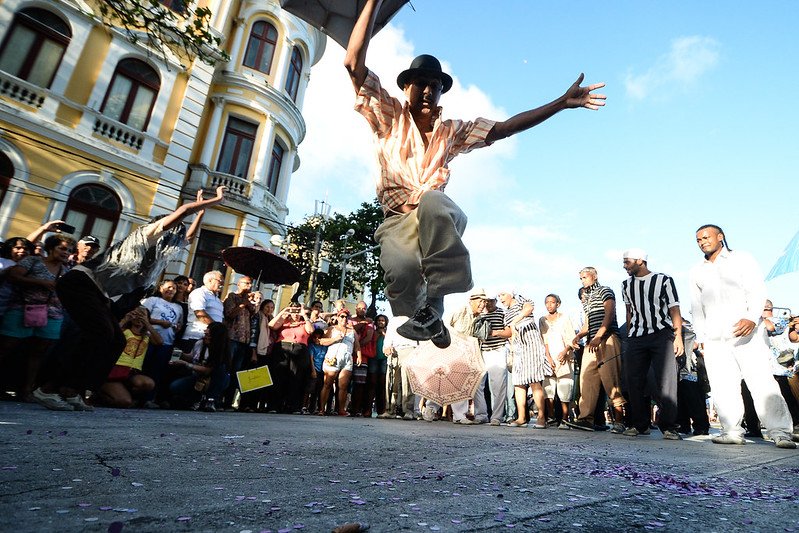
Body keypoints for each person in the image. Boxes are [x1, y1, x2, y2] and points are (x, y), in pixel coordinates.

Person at [344, 0, 606, 349]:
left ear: (440, 93)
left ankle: (435, 304)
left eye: (434, 86)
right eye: (420, 83)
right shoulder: (390, 115)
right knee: (401, 275)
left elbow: (504, 128)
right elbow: (352, 62)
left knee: (434, 201)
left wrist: (560, 103)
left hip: (434, 218)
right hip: (396, 221)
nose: (426, 91)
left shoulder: (451, 130)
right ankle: (428, 320)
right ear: (406, 88)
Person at [31, 187, 225, 411]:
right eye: (174, 232)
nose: (176, 239)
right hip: (80, 282)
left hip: (100, 293)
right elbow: (181, 212)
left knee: (116, 341)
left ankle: (73, 389)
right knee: (99, 333)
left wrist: (201, 215)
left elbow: (189, 237)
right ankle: (47, 388)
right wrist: (211, 202)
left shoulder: (162, 252)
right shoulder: (148, 235)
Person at [689, 224, 795, 448]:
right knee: (722, 385)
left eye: (706, 237)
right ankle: (732, 431)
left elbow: (756, 289)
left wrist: (751, 316)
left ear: (720, 237)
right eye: (698, 239)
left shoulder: (741, 259)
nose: (702, 242)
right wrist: (701, 337)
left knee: (761, 382)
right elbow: (697, 307)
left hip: (746, 331)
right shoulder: (697, 270)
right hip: (715, 336)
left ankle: (780, 432)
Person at [0, 234, 75, 402]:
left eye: (69, 250)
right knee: (6, 348)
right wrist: (40, 283)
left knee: (39, 353)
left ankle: (26, 390)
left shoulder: (66, 271)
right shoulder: (33, 261)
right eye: (62, 248)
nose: (66, 253)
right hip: (22, 309)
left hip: (52, 314)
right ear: (50, 248)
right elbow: (13, 277)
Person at [620, 249, 684, 440]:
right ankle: (640, 425)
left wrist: (678, 336)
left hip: (661, 334)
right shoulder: (625, 285)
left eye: (627, 262)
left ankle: (669, 427)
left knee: (667, 380)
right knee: (634, 380)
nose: (624, 266)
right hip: (637, 336)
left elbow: (674, 308)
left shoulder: (663, 280)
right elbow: (629, 311)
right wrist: (630, 335)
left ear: (640, 261)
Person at [567, 267, 627, 431]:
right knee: (587, 381)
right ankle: (586, 419)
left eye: (585, 277)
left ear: (594, 276)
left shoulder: (605, 290)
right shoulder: (586, 297)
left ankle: (620, 422)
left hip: (607, 339)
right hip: (591, 342)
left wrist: (600, 335)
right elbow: (587, 324)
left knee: (611, 380)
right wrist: (579, 336)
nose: (582, 280)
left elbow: (609, 314)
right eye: (580, 278)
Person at [497, 290, 548, 428]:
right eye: (499, 295)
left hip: (531, 343)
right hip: (517, 347)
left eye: (502, 294)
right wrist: (494, 333)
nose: (500, 298)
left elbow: (529, 308)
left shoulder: (521, 300)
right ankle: (521, 417)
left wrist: (515, 321)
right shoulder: (506, 312)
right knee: (518, 383)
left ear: (511, 294)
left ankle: (542, 418)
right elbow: (508, 332)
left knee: (534, 381)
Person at [94, 307, 163, 408]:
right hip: (115, 371)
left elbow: (160, 341)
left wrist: (147, 323)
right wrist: (125, 320)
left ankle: (125, 393)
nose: (138, 318)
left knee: (148, 383)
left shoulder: (147, 336)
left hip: (132, 372)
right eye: (136, 315)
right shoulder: (124, 331)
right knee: (124, 402)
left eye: (142, 315)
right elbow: (110, 335)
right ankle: (98, 395)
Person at [447, 288, 490, 425]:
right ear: (471, 301)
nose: (482, 304)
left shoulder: (480, 317)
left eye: (484, 301)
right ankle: (459, 415)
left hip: (472, 353)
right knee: (459, 383)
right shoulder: (460, 310)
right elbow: (445, 325)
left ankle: (481, 414)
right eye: (479, 301)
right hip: (456, 350)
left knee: (476, 383)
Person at [169, 321, 231, 412]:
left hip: (212, 379)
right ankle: (196, 399)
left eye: (208, 335)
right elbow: (192, 357)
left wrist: (186, 364)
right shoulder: (200, 343)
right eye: (205, 334)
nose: (205, 336)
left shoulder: (220, 350)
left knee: (221, 370)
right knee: (175, 386)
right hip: (198, 378)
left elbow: (207, 371)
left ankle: (211, 399)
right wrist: (181, 354)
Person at [140, 279, 184, 408]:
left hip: (167, 343)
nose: (171, 290)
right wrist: (160, 322)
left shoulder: (178, 307)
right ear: (160, 288)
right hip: (148, 339)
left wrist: (177, 327)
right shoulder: (153, 300)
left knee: (156, 371)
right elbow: (143, 317)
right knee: (142, 367)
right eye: (169, 287)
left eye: (174, 288)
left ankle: (148, 399)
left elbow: (179, 323)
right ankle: (136, 396)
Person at [267, 301, 314, 413]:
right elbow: (271, 325)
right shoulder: (285, 322)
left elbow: (311, 331)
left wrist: (304, 315)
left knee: (296, 378)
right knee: (279, 377)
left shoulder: (304, 324)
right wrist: (283, 312)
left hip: (299, 350)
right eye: (293, 311)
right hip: (283, 348)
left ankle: (292, 406)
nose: (295, 314)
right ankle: (274, 406)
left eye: (297, 311)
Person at [538, 294, 577, 429]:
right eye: (547, 302)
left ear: (558, 304)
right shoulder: (542, 320)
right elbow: (544, 340)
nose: (549, 305)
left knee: (564, 388)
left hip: (564, 356)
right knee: (548, 388)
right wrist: (547, 357)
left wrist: (565, 351)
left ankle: (565, 418)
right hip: (550, 357)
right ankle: (551, 417)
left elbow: (571, 338)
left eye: (552, 302)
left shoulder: (565, 318)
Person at [222, 276, 259, 409]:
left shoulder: (250, 301)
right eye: (247, 283)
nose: (249, 286)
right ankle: (218, 398)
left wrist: (252, 304)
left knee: (237, 371)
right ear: (239, 284)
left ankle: (228, 401)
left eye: (251, 283)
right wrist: (242, 304)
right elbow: (230, 314)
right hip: (232, 337)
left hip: (245, 340)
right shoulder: (232, 296)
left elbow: (255, 315)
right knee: (227, 368)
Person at [318, 309, 361, 416]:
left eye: (346, 317)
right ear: (337, 317)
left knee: (343, 385)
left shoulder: (352, 331)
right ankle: (322, 409)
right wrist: (335, 339)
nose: (344, 319)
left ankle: (341, 409)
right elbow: (322, 341)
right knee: (327, 384)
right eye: (341, 316)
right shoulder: (332, 329)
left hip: (347, 359)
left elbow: (357, 345)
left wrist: (359, 355)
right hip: (333, 357)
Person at [480, 295, 511, 426]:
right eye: (486, 301)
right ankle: (480, 414)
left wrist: (494, 332)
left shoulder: (502, 313)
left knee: (498, 385)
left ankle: (497, 417)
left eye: (491, 301)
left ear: (495, 301)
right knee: (477, 385)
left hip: (498, 350)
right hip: (482, 351)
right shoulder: (480, 315)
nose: (488, 304)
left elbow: (509, 332)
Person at [180, 270, 225, 353]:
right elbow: (200, 313)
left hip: (210, 339)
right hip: (195, 336)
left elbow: (221, 319)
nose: (222, 284)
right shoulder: (199, 293)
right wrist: (216, 329)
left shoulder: (218, 300)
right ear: (210, 280)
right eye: (220, 281)